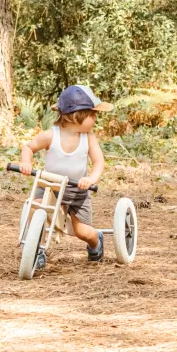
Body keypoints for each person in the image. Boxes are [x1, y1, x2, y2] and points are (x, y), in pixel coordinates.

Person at [20, 84, 110, 266]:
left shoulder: (88, 137)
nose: (95, 119)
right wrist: (26, 162)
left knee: (82, 231)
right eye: (92, 115)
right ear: (76, 116)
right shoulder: (50, 135)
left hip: (77, 190)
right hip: (49, 186)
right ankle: (36, 249)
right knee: (35, 208)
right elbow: (28, 147)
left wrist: (90, 179)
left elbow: (99, 162)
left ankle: (96, 242)